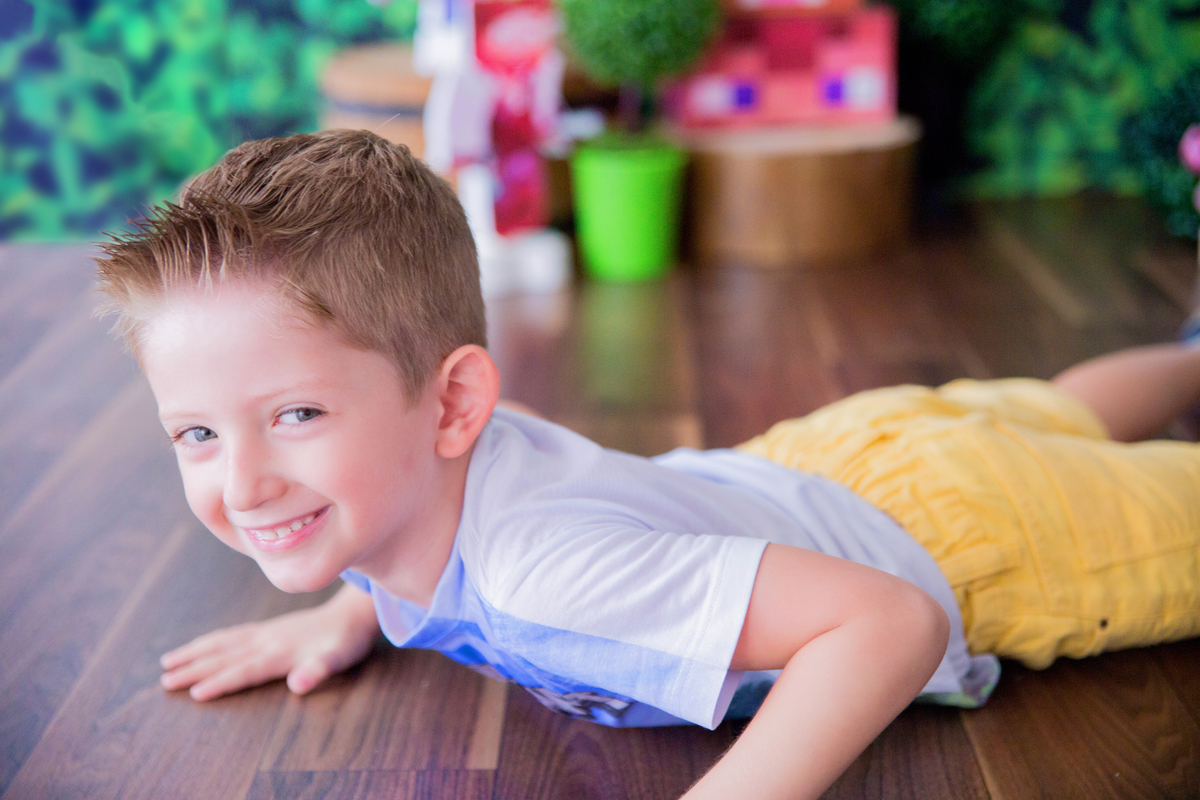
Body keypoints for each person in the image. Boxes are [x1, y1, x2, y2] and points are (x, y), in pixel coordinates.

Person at [95, 130, 1200, 800]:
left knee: (1106, 475)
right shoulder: (423, 467)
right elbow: (466, 435)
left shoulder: (544, 570)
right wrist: (345, 608)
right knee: (1056, 406)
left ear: (451, 401)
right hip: (837, 461)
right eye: (196, 431)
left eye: (293, 413)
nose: (240, 484)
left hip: (981, 548)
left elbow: (892, 622)